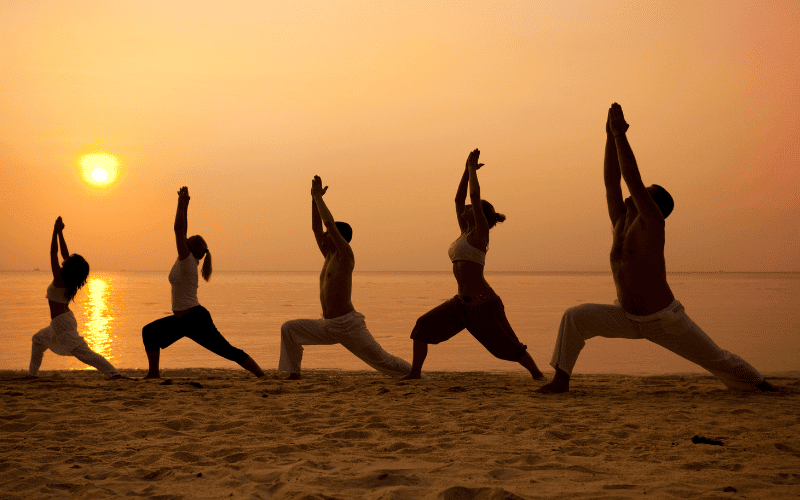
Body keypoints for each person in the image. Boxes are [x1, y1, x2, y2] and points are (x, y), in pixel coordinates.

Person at [536, 103, 774, 393]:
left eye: (645, 194)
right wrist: (609, 137)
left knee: (717, 359)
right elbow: (612, 182)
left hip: (664, 321)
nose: (633, 195)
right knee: (575, 317)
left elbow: (631, 180)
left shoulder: (652, 224)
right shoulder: (621, 223)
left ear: (653, 206)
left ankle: (760, 385)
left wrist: (621, 135)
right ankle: (560, 382)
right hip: (627, 316)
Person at [402, 149, 546, 381]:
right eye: (467, 208)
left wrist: (472, 170)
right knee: (423, 327)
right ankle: (415, 373)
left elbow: (474, 198)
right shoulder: (464, 232)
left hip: (484, 304)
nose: (466, 208)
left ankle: (537, 375)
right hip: (461, 304)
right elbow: (459, 199)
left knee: (508, 346)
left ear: (481, 216)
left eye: (472, 208)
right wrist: (464, 171)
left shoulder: (480, 234)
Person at [278, 176, 411, 380]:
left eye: (328, 234)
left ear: (338, 237)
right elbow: (316, 227)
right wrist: (313, 200)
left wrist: (319, 198)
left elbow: (328, 224)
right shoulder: (329, 256)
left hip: (348, 325)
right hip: (328, 326)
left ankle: (416, 375)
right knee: (289, 329)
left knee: (383, 361)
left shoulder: (345, 256)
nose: (323, 236)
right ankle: (294, 374)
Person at [142, 187, 265, 379]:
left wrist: (179, 203)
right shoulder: (187, 259)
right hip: (182, 320)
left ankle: (261, 375)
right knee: (150, 332)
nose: (185, 239)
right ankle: (153, 374)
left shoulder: (187, 261)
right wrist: (185, 204)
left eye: (188, 241)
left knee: (226, 350)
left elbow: (178, 229)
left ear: (192, 250)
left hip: (195, 320)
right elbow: (183, 230)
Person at [28, 217, 122, 379]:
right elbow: (65, 254)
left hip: (62, 323)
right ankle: (32, 375)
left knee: (83, 353)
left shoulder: (60, 279)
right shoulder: (68, 281)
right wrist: (60, 233)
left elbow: (53, 253)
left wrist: (54, 230)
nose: (67, 260)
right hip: (61, 321)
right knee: (38, 340)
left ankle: (114, 373)